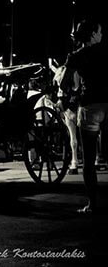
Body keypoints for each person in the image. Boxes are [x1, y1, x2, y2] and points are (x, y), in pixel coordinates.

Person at [60, 19, 108, 214]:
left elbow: (64, 84)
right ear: (93, 34)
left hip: (89, 107)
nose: (102, 34)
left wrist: (73, 92)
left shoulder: (76, 56)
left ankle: (92, 204)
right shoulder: (106, 52)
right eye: (100, 30)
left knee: (88, 160)